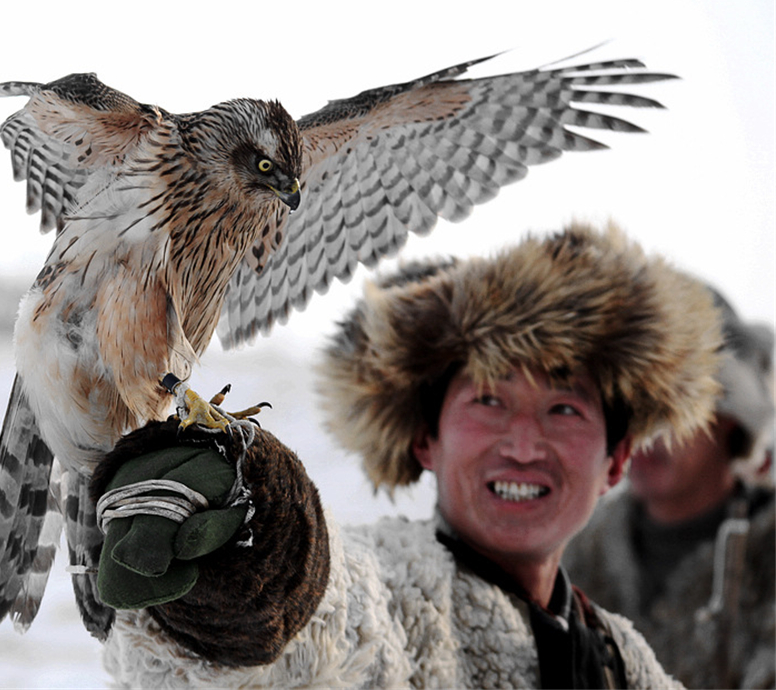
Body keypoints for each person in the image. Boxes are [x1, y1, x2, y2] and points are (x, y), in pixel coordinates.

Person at [88, 221, 723, 688]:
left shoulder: (623, 662)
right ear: (426, 437)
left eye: (565, 409)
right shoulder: (397, 592)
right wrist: (258, 539)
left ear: (617, 460)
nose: (525, 445)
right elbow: (326, 620)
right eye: (488, 401)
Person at [563, 287, 775, 689]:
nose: (644, 433)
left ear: (728, 418)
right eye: (629, 407)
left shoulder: (768, 554)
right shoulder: (576, 547)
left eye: (668, 409)